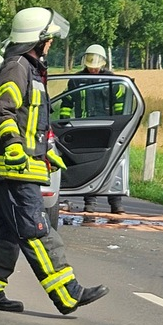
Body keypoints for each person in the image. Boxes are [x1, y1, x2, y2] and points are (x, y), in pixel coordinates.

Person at [0, 7, 109, 315]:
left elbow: (31, 118)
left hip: (15, 167)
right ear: (38, 39)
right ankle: (67, 292)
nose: (51, 44)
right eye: (49, 39)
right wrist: (14, 147)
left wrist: (46, 150)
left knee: (3, 232)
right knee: (36, 229)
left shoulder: (29, 68)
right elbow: (3, 111)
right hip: (14, 168)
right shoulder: (17, 67)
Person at [58, 44, 127, 214]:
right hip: (85, 127)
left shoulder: (112, 80)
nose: (93, 70)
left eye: (96, 66)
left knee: (112, 162)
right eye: (90, 66)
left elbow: (120, 105)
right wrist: (64, 123)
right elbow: (67, 103)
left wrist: (121, 126)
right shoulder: (76, 79)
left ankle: (116, 203)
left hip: (108, 128)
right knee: (88, 164)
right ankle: (90, 203)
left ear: (103, 63)